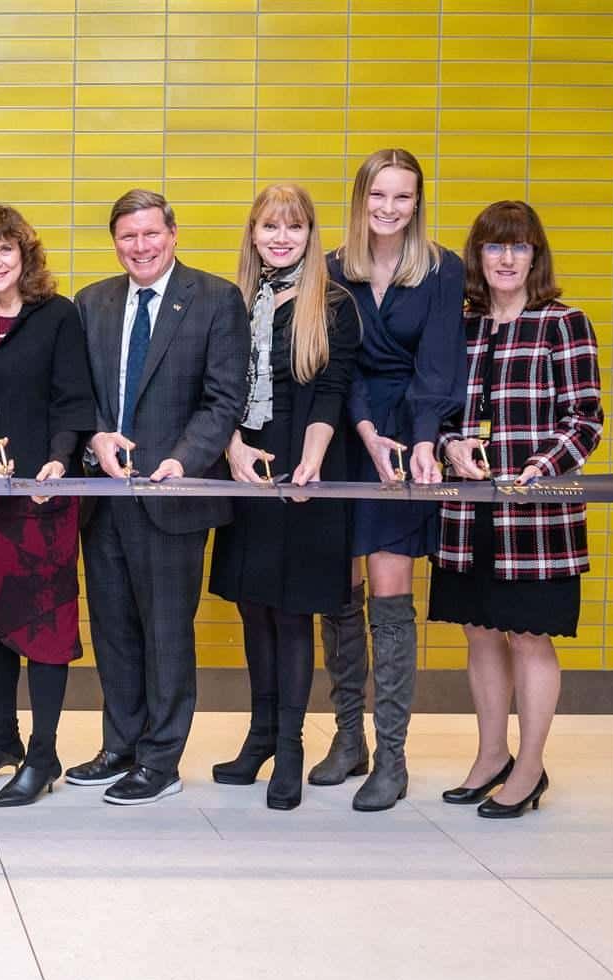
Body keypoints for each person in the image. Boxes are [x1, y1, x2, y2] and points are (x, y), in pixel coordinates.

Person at [67, 188, 250, 806]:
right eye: (127, 237)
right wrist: (95, 437)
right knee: (113, 628)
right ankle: (119, 745)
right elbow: (79, 392)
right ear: (114, 241)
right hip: (106, 494)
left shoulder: (216, 299)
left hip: (173, 494)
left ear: (172, 234)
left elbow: (224, 397)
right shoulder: (91, 302)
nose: (140, 247)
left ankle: (161, 759)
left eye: (150, 234)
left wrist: (184, 458)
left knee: (167, 631)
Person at [432, 201, 602, 819]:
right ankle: (490, 756)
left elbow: (586, 419)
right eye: (494, 247)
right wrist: (451, 444)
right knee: (479, 634)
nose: (506, 259)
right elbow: (442, 409)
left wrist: (543, 466)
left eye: (520, 247)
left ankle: (529, 768)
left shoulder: (563, 322)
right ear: (478, 256)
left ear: (536, 255)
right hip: (468, 507)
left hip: (535, 515)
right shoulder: (462, 325)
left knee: (529, 637)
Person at [319, 149, 467, 811]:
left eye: (402, 198)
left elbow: (440, 367)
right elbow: (333, 366)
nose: (388, 209)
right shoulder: (329, 272)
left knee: (389, 591)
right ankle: (347, 737)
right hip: (346, 438)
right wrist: (363, 431)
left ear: (417, 203)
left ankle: (393, 756)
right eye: (378, 195)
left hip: (410, 438)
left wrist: (419, 440)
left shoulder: (441, 270)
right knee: (337, 588)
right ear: (360, 199)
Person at [207, 184, 360, 811]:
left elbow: (333, 391)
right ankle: (261, 735)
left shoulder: (334, 302)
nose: (280, 237)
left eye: (293, 227)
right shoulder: (234, 302)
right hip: (246, 466)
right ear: (252, 233)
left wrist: (312, 463)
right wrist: (233, 449)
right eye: (269, 226)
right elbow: (215, 386)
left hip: (307, 466)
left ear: (310, 234)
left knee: (293, 612)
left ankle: (292, 746)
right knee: (253, 604)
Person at [0, 205, 94, 808]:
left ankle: (43, 751)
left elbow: (73, 398)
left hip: (43, 494)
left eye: (6, 250)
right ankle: (1, 737)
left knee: (46, 625)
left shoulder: (58, 317)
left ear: (25, 256)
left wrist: (58, 460)